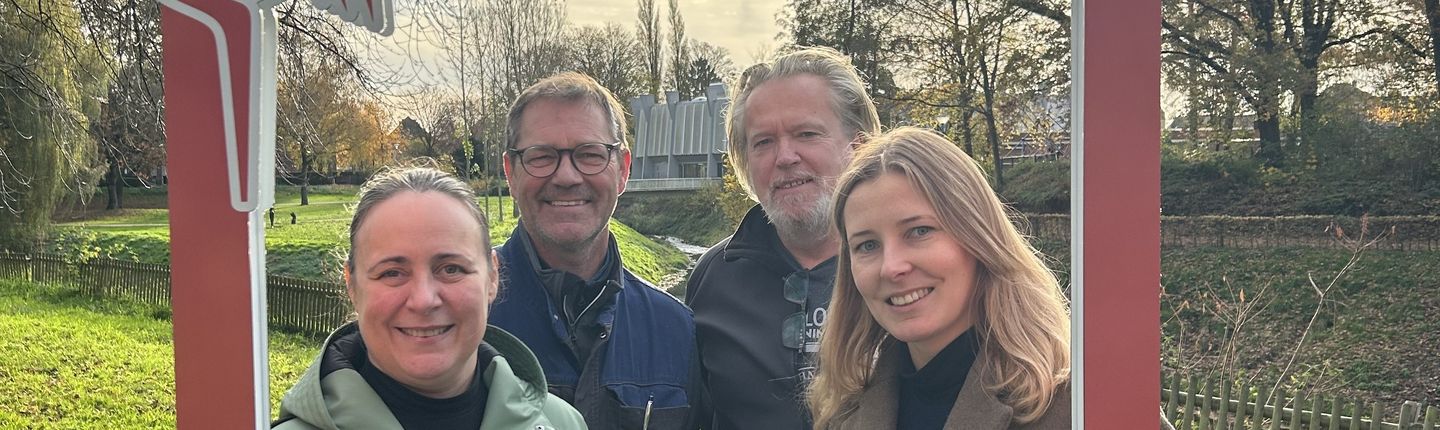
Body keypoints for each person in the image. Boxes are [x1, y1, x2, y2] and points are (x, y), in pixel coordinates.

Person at [272, 166, 586, 430]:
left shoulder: (565, 423)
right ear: (352, 286)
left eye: (451, 268)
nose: (423, 300)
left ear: (492, 276)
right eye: (392, 272)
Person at [808, 127, 1071, 430]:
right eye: (867, 245)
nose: (891, 267)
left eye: (919, 231)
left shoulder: (1072, 403)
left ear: (978, 237)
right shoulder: (840, 412)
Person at [684, 46, 882, 430]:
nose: (785, 156)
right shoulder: (713, 278)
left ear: (858, 147)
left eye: (806, 133)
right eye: (763, 142)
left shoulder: (907, 270)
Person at [488, 72, 698, 430]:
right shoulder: (464, 319)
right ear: (511, 172)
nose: (567, 176)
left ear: (623, 170)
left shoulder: (674, 329)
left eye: (589, 155)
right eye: (542, 156)